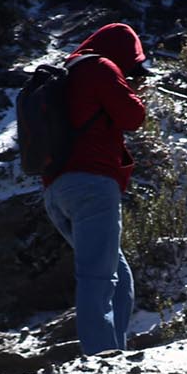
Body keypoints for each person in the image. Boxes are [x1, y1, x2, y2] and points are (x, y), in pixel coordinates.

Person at [43, 23, 150, 355]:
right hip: (92, 185)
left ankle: (112, 352)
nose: (136, 71)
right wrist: (130, 89)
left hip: (56, 191)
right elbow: (132, 117)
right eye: (134, 64)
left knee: (118, 275)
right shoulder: (101, 67)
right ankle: (101, 358)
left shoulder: (68, 73)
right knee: (96, 278)